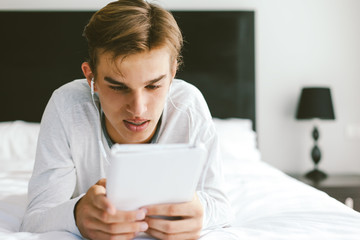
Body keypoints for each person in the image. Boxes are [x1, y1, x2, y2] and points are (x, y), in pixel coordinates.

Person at [20, 0, 232, 239]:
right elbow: (35, 218)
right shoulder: (67, 107)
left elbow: (221, 207)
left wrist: (201, 214)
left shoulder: (188, 107)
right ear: (91, 78)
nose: (138, 109)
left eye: (153, 85)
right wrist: (77, 214)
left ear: (173, 73)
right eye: (118, 87)